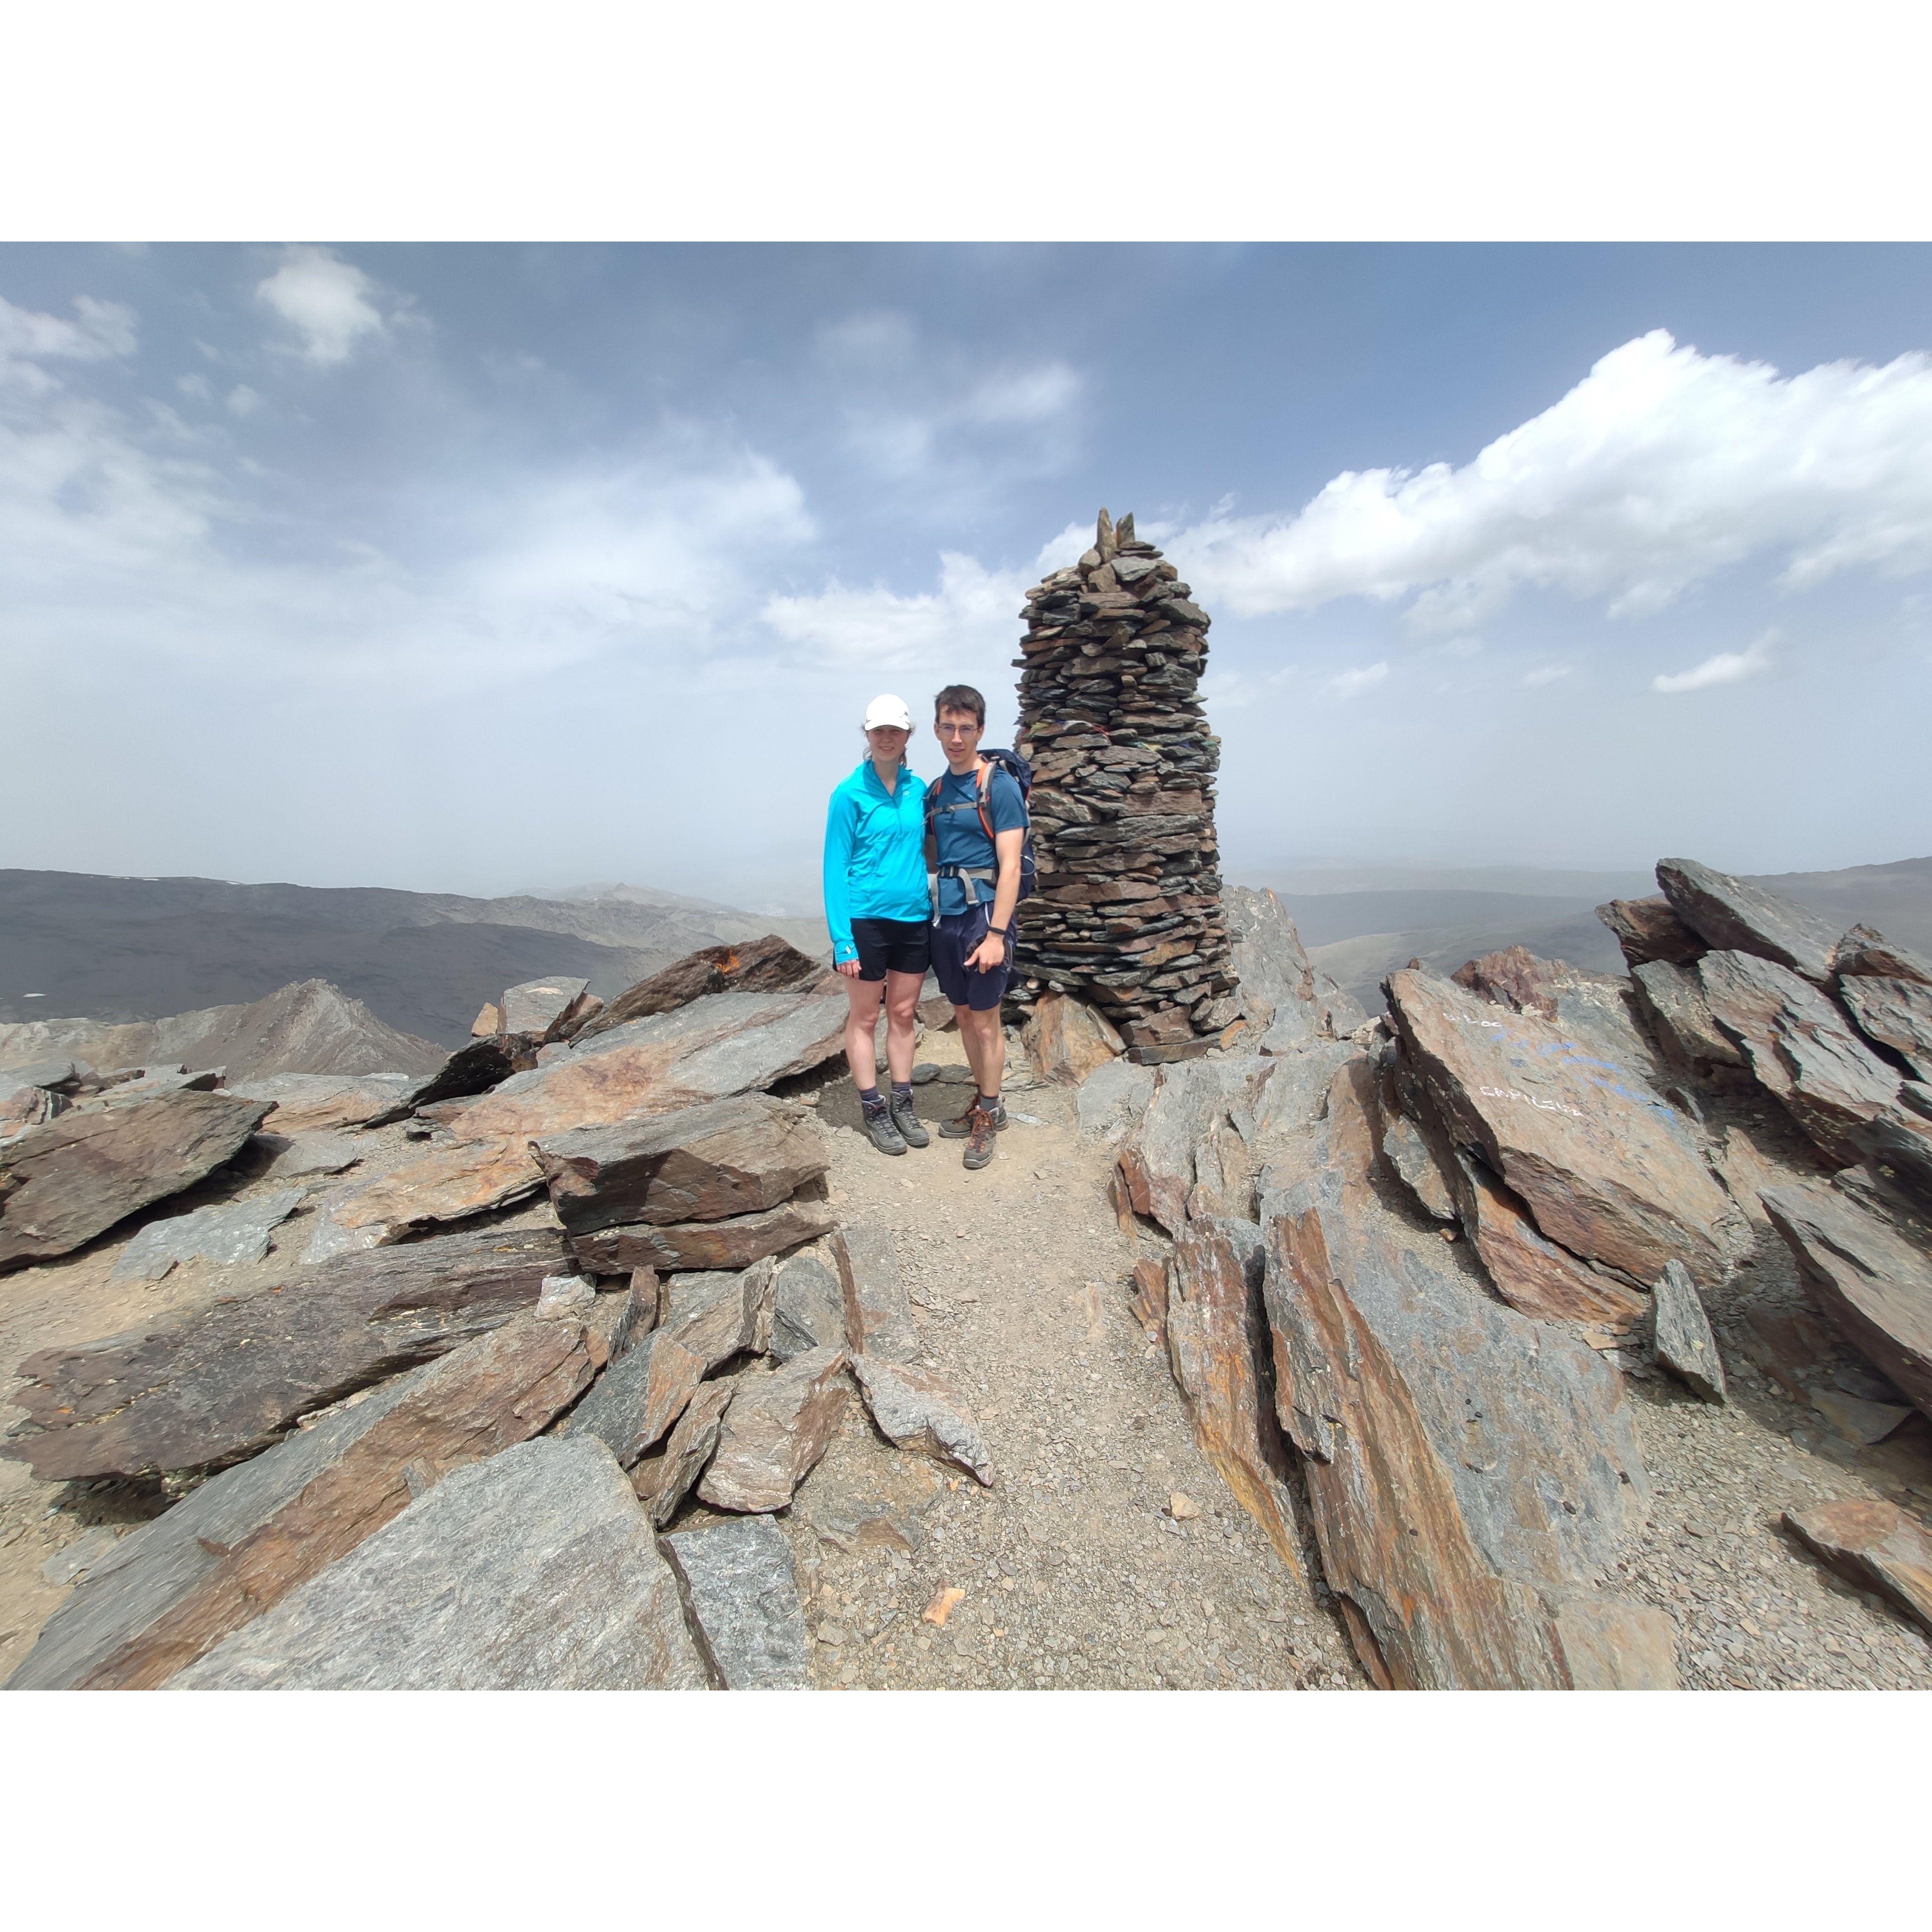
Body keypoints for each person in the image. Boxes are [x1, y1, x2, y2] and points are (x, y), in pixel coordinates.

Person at [822, 693, 933, 1156]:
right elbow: (834, 865)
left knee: (903, 1014)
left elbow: (931, 847)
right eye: (878, 731)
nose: (887, 738)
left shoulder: (919, 789)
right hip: (865, 920)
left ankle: (902, 1100)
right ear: (867, 736)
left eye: (895, 730)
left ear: (907, 735)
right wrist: (842, 939)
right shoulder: (848, 793)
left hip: (913, 918)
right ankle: (873, 1106)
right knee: (866, 1016)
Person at [926, 683, 1027, 1170]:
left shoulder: (998, 786)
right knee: (964, 1016)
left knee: (986, 1021)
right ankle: (984, 1099)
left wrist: (994, 935)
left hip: (985, 916)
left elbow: (1009, 866)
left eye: (966, 728)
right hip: (945, 918)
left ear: (981, 730)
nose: (957, 737)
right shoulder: (938, 790)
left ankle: (990, 1110)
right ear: (936, 728)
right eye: (948, 726)